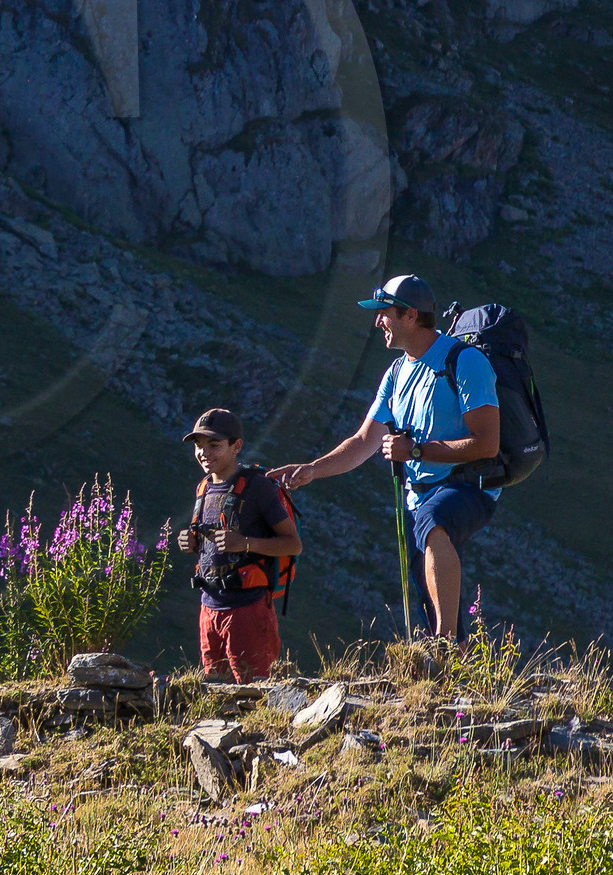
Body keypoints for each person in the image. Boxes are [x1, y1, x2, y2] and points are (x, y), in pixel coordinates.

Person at [272, 274, 500, 640]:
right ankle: (452, 657)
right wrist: (311, 470)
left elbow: (487, 444)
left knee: (434, 522)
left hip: (469, 485)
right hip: (419, 494)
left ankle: (443, 644)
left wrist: (416, 451)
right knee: (426, 582)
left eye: (384, 313)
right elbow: (364, 440)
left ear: (410, 315)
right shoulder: (395, 373)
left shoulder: (465, 361)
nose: (378, 321)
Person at [176, 407, 301, 683]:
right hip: (209, 606)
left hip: (248, 609)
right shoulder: (204, 488)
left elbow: (293, 544)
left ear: (237, 446)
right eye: (198, 445)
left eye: (214, 445)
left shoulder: (258, 487)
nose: (203, 453)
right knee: (215, 693)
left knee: (255, 691)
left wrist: (244, 544)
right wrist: (191, 542)